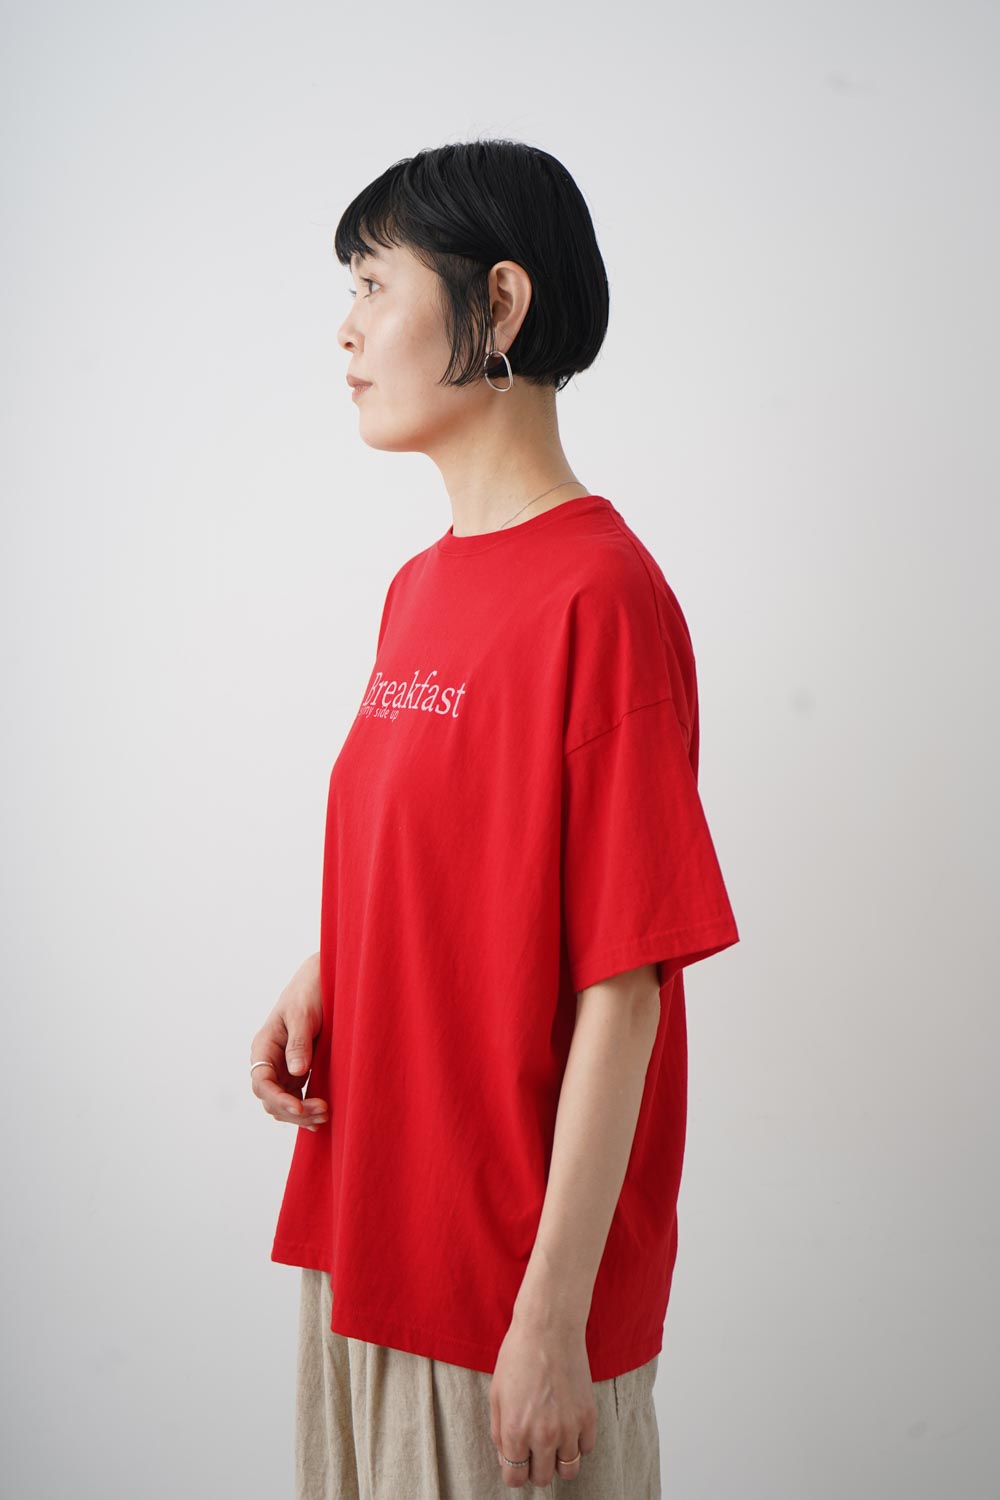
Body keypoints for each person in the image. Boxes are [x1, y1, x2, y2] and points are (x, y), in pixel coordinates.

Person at [250, 139, 740, 1499]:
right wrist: (335, 967)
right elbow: (469, 853)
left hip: (503, 1289)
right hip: (368, 1234)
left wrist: (551, 1318)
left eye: (374, 283)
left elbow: (625, 982)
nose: (346, 329)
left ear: (501, 303)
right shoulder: (421, 589)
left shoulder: (603, 597)